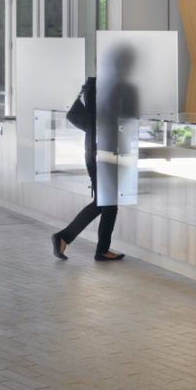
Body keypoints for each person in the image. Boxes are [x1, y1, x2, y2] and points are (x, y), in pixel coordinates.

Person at [51, 75, 123, 261]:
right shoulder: (99, 86)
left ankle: (66, 237)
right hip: (100, 152)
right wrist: (98, 128)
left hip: (96, 150)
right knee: (108, 203)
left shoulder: (96, 85)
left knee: (105, 203)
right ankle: (98, 249)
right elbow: (76, 115)